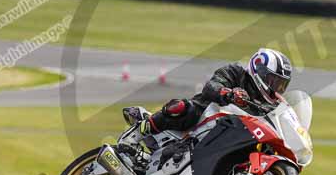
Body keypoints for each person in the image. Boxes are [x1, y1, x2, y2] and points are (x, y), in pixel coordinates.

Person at [123, 48, 292, 136]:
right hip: (205, 117)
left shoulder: (270, 102)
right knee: (182, 107)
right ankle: (141, 130)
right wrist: (228, 94)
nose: (276, 87)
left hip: (236, 133)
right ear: (259, 71)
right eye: (274, 81)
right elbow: (211, 86)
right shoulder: (235, 72)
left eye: (281, 84)